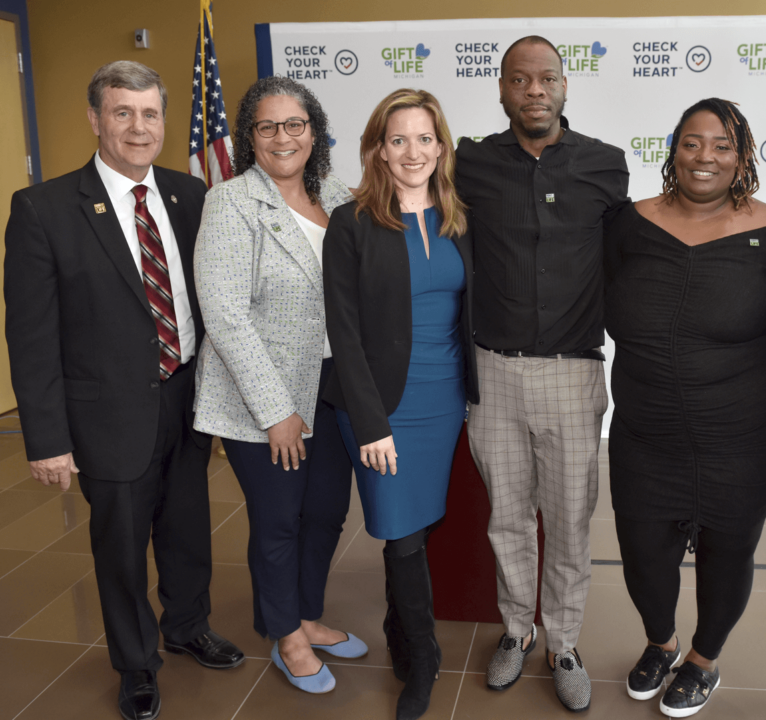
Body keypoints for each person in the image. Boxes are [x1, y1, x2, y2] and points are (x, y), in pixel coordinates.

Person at [3, 61, 244, 720]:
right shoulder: (43, 210)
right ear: (95, 119)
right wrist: (46, 437)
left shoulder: (188, 194)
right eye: (123, 112)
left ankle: (188, 626)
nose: (139, 128)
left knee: (188, 526)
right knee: (121, 543)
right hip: (105, 413)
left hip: (187, 396)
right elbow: (30, 338)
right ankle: (136, 662)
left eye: (149, 113)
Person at [604, 98, 766, 717]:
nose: (706, 157)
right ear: (673, 149)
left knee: (728, 550)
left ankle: (703, 659)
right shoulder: (626, 224)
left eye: (723, 145)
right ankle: (661, 642)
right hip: (646, 429)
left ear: (743, 157)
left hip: (745, 432)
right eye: (693, 143)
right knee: (643, 551)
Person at [455, 35, 628, 712]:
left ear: (564, 86)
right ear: (501, 89)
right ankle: (517, 630)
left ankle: (564, 642)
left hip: (572, 371)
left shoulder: (605, 167)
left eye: (546, 79)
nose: (534, 91)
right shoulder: (468, 163)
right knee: (508, 520)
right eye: (520, 80)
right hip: (492, 371)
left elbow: (628, 258)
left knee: (568, 520)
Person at [192, 76, 365, 695]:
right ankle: (285, 633)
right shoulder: (231, 202)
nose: (283, 137)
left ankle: (307, 615)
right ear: (250, 138)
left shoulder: (339, 196)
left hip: (332, 384)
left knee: (325, 511)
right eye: (267, 126)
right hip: (260, 394)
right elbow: (226, 315)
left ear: (314, 132)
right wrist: (276, 410)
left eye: (295, 124)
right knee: (278, 517)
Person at [322, 88, 476, 720]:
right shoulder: (352, 222)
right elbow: (344, 332)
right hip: (382, 405)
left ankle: (398, 625)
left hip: (445, 400)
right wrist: (371, 422)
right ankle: (423, 653)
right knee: (399, 530)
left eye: (424, 138)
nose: (412, 151)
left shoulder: (462, 219)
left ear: (440, 147)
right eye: (397, 139)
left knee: (418, 523)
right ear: (377, 150)